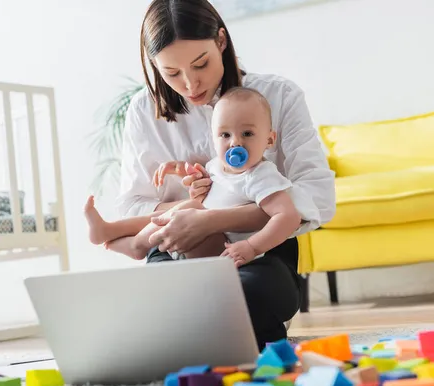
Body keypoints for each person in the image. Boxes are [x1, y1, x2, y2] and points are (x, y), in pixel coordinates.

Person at [113, 0, 336, 349]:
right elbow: (131, 207)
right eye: (171, 73)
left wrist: (214, 220)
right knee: (173, 297)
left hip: (258, 254)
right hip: (175, 251)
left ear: (221, 41)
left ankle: (196, 333)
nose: (190, 83)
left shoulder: (279, 96)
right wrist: (188, 208)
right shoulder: (143, 111)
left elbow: (318, 196)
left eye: (200, 64)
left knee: (256, 292)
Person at [86, 87, 301, 268]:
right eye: (225, 135)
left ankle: (138, 246)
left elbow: (288, 216)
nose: (235, 143)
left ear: (269, 139)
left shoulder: (262, 175)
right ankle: (110, 229)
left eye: (247, 134)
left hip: (226, 250)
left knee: (192, 209)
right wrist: (181, 170)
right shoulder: (219, 166)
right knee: (183, 208)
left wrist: (253, 247)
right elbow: (205, 181)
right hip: (194, 236)